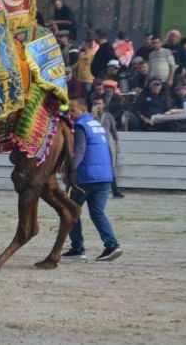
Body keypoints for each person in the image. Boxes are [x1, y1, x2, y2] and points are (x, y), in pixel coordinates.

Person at [62, 98, 123, 262]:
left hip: (87, 177)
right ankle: (112, 245)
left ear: (82, 109)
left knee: (70, 211)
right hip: (104, 177)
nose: (70, 115)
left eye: (73, 111)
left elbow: (80, 151)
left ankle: (77, 249)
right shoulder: (97, 125)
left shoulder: (81, 126)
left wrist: (70, 169)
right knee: (97, 213)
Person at [92, 98, 123, 198]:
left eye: (99, 103)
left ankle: (115, 190)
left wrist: (117, 143)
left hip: (105, 146)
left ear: (103, 105)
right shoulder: (89, 116)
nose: (97, 105)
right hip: (93, 146)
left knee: (109, 167)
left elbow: (113, 131)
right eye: (95, 103)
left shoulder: (108, 116)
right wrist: (93, 115)